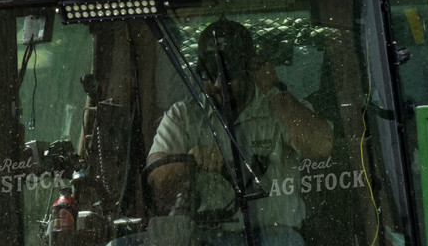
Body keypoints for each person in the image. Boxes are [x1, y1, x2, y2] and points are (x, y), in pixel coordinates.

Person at [132, 19, 333, 246]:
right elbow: (156, 180)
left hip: (273, 235)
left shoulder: (280, 108)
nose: (220, 84)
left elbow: (321, 147)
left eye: (230, 73)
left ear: (250, 68)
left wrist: (273, 88)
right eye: (210, 73)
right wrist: (192, 160)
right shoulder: (183, 116)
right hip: (204, 236)